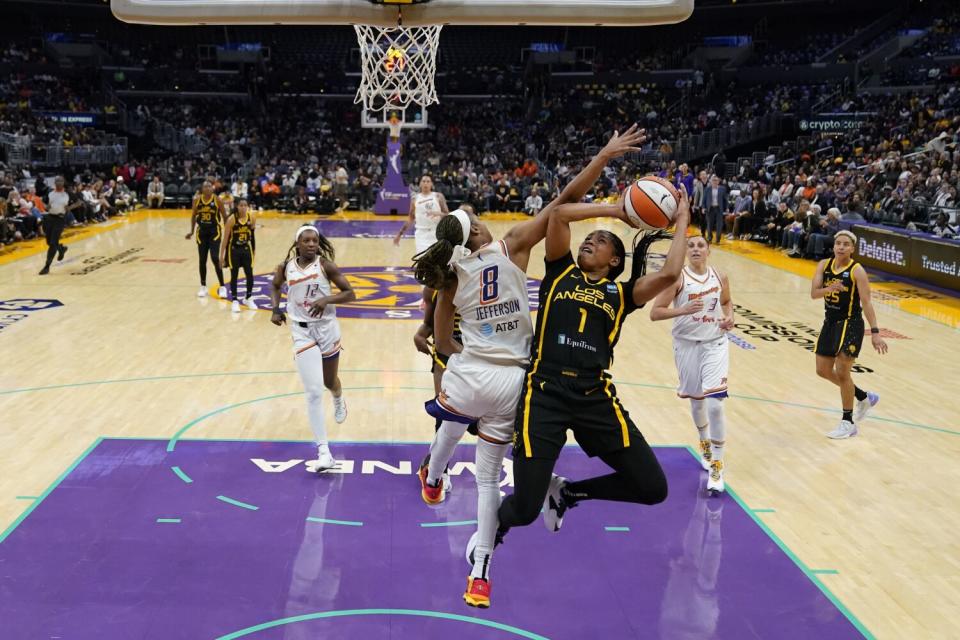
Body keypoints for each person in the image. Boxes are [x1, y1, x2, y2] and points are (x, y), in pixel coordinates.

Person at [412, 126, 647, 609]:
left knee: (450, 424)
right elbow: (564, 200)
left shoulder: (449, 278)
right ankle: (480, 573)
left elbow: (440, 342)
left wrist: (466, 355)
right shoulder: (514, 244)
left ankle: (433, 479)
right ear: (477, 230)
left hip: (473, 372)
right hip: (516, 379)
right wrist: (602, 157)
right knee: (487, 477)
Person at [494, 179, 691, 590]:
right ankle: (494, 531)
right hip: (544, 392)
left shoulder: (624, 294)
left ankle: (569, 494)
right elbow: (562, 214)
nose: (590, 241)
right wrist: (615, 211)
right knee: (525, 508)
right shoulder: (560, 270)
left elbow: (672, 271)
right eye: (591, 237)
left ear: (615, 260)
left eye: (601, 241)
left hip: (594, 398)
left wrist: (683, 219)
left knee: (653, 488)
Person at [649, 234, 734, 493]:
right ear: (686, 252)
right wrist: (681, 310)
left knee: (715, 404)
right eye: (691, 246)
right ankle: (704, 443)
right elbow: (655, 312)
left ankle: (718, 465)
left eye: (700, 245)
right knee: (697, 402)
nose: (696, 249)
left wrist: (729, 318)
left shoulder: (720, 277)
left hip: (715, 344)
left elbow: (727, 302)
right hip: (686, 345)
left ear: (708, 250)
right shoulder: (677, 279)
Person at [269, 225, 354, 471]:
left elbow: (350, 293)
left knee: (329, 382)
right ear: (297, 244)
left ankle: (338, 397)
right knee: (314, 392)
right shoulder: (285, 267)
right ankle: (324, 452)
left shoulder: (326, 266)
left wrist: (327, 299)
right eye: (306, 241)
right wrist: (276, 309)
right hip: (301, 330)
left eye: (314, 240)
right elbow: (275, 286)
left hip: (326, 328)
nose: (311, 244)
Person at [810, 230, 887, 439]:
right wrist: (830, 288)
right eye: (838, 243)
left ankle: (848, 422)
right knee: (823, 370)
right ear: (833, 246)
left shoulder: (857, 271)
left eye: (846, 244)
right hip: (830, 322)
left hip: (851, 323)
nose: (841, 247)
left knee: (843, 371)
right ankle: (863, 397)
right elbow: (814, 293)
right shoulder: (824, 265)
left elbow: (867, 302)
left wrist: (876, 333)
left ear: (853, 248)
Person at [185, 180, 227, 298]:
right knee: (202, 260)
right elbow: (193, 216)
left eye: (210, 186)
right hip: (202, 232)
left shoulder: (217, 200)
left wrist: (229, 232)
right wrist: (192, 231)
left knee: (214, 258)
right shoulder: (197, 200)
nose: (208, 188)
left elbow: (224, 216)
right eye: (205, 187)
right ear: (202, 189)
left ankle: (222, 286)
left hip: (215, 232)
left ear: (212, 188)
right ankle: (203, 286)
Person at [219, 199, 258, 313]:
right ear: (237, 206)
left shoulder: (252, 218)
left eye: (245, 205)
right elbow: (225, 240)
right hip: (234, 250)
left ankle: (248, 298)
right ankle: (235, 300)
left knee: (249, 274)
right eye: (241, 205)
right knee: (234, 274)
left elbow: (253, 236)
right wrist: (222, 257)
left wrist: (254, 251)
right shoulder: (231, 219)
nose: (243, 207)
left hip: (246, 249)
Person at [394, 175, 449, 253]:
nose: (425, 183)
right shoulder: (415, 199)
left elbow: (448, 215)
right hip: (421, 234)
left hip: (436, 232)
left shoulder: (438, 196)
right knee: (422, 261)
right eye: (423, 181)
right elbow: (410, 218)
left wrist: (439, 213)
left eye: (428, 181)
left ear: (431, 184)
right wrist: (399, 234)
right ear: (420, 184)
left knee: (437, 261)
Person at [38, 177, 77, 275]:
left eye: (61, 181)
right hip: (49, 218)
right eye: (57, 181)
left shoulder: (68, 193)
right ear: (55, 183)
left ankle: (47, 267)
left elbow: (79, 202)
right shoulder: (50, 193)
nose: (59, 182)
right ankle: (61, 249)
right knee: (49, 242)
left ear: (64, 183)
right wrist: (46, 206)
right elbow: (43, 201)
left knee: (52, 243)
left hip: (60, 219)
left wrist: (70, 207)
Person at [703, 175, 728, 244]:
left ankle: (718, 239)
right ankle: (709, 238)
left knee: (719, 225)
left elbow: (725, 200)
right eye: (713, 180)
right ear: (711, 181)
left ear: (718, 181)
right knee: (709, 224)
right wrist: (703, 207)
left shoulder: (722, 189)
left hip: (719, 209)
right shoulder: (707, 189)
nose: (715, 182)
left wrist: (727, 208)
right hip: (710, 209)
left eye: (716, 180)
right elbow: (704, 199)